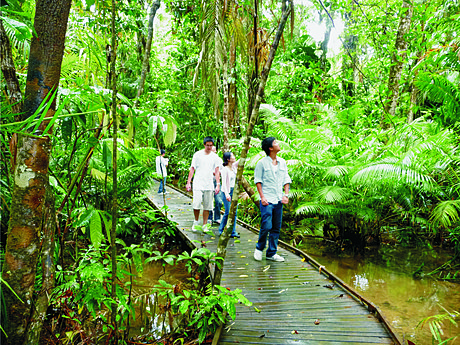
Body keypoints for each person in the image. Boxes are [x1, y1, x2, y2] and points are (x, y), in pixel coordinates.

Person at [253, 137, 291, 262]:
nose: (278, 144)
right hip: (267, 200)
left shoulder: (282, 162)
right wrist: (262, 197)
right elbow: (258, 181)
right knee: (266, 224)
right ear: (270, 148)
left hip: (278, 199)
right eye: (275, 143)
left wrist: (286, 195)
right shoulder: (262, 163)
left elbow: (286, 179)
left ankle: (271, 253)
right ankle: (259, 248)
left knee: (276, 227)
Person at [186, 137, 221, 232]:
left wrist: (218, 184)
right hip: (198, 183)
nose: (209, 147)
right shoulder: (197, 155)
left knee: (207, 205)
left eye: (211, 145)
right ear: (204, 144)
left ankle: (205, 224)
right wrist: (188, 182)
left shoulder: (215, 157)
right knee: (196, 204)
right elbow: (192, 168)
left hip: (209, 184)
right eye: (207, 145)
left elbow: (217, 171)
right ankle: (196, 221)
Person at [218, 152, 240, 238]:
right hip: (226, 191)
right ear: (228, 159)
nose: (234, 157)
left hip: (234, 191)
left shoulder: (233, 167)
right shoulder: (225, 169)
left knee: (234, 212)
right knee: (227, 212)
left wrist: (247, 150)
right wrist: (227, 194)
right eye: (232, 156)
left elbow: (241, 160)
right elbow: (223, 183)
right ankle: (221, 229)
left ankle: (233, 231)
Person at [208, 145, 223, 225]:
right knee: (209, 200)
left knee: (218, 201)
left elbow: (222, 170)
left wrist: (217, 172)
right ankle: (209, 218)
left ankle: (217, 217)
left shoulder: (219, 160)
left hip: (217, 182)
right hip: (208, 181)